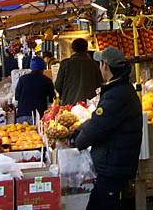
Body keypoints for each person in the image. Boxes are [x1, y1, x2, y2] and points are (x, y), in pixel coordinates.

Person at [74, 47, 142, 210]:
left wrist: (77, 140)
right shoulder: (119, 89)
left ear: (106, 66)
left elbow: (98, 126)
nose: (99, 67)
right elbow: (99, 120)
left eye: (100, 63)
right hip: (113, 163)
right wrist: (79, 129)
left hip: (114, 166)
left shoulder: (117, 94)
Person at [54, 38, 103, 105]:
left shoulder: (65, 63)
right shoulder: (94, 64)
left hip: (69, 104)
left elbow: (58, 86)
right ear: (86, 48)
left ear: (72, 49)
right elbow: (100, 83)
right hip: (90, 105)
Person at [15, 57, 55, 123]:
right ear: (43, 68)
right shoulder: (47, 81)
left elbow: (17, 97)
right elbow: (52, 99)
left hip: (22, 115)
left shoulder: (22, 79)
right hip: (39, 117)